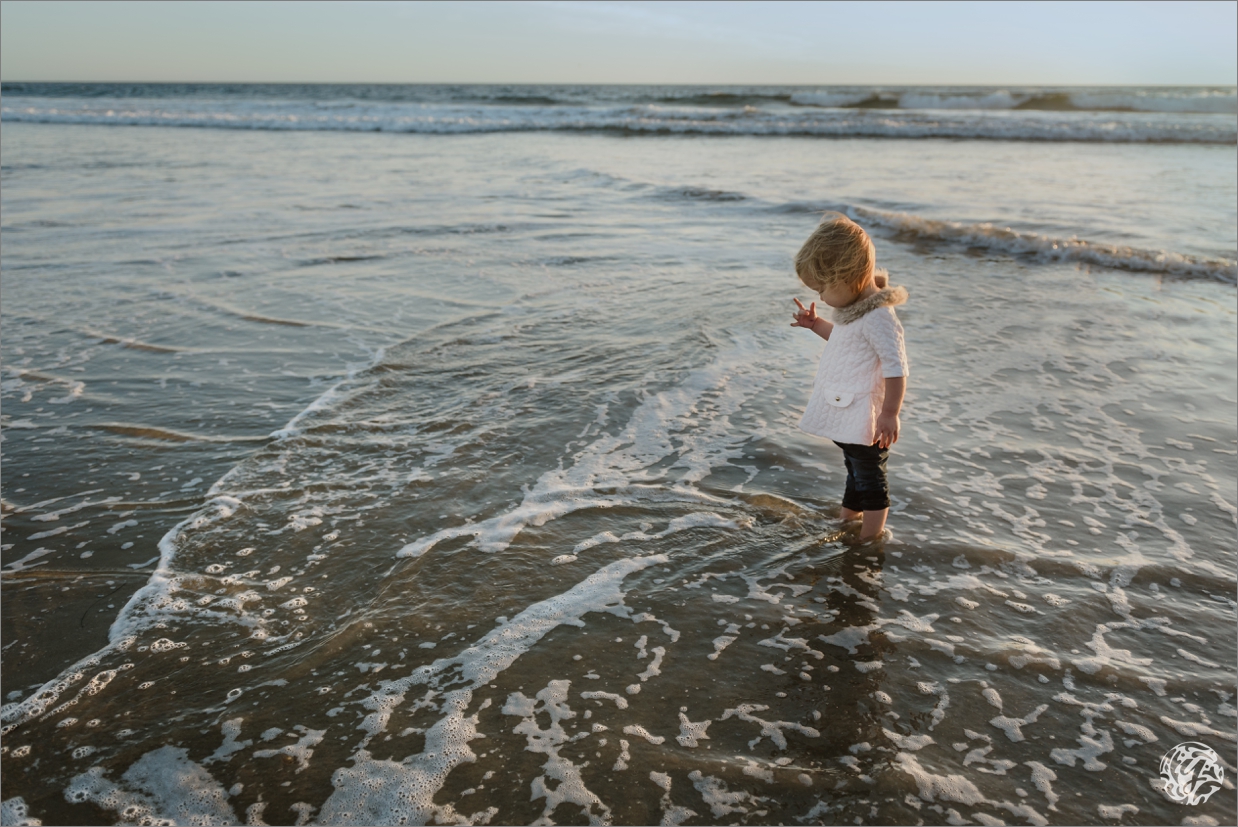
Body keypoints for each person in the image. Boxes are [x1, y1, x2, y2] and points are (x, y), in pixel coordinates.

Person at [790, 214, 909, 541]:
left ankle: (869, 540)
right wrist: (816, 326)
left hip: (868, 417)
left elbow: (896, 367)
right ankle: (847, 519)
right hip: (848, 412)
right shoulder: (855, 310)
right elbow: (844, 339)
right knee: (855, 472)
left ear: (850, 277)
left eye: (824, 288)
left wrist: (889, 414)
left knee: (871, 478)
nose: (823, 297)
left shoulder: (879, 317)